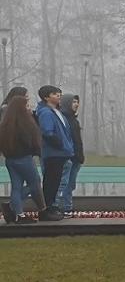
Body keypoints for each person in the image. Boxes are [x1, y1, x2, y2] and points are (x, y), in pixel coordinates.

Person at [0, 92, 43, 224]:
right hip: (24, 158)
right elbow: (30, 142)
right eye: (27, 105)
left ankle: (19, 215)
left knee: (16, 187)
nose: (29, 107)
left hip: (10, 159)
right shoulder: (24, 124)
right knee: (35, 183)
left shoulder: (5, 125)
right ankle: (12, 205)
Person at [33, 85, 71, 222]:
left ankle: (51, 207)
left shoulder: (56, 111)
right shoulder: (46, 112)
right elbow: (47, 132)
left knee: (55, 182)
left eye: (59, 94)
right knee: (50, 182)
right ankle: (46, 209)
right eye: (55, 94)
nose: (59, 96)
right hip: (53, 153)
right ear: (46, 97)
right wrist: (60, 144)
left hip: (60, 153)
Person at [54, 94, 84, 216]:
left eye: (77, 102)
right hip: (68, 157)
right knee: (64, 184)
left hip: (76, 158)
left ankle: (67, 207)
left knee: (71, 184)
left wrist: (80, 156)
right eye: (73, 102)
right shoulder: (63, 119)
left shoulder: (74, 120)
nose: (76, 104)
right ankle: (62, 208)